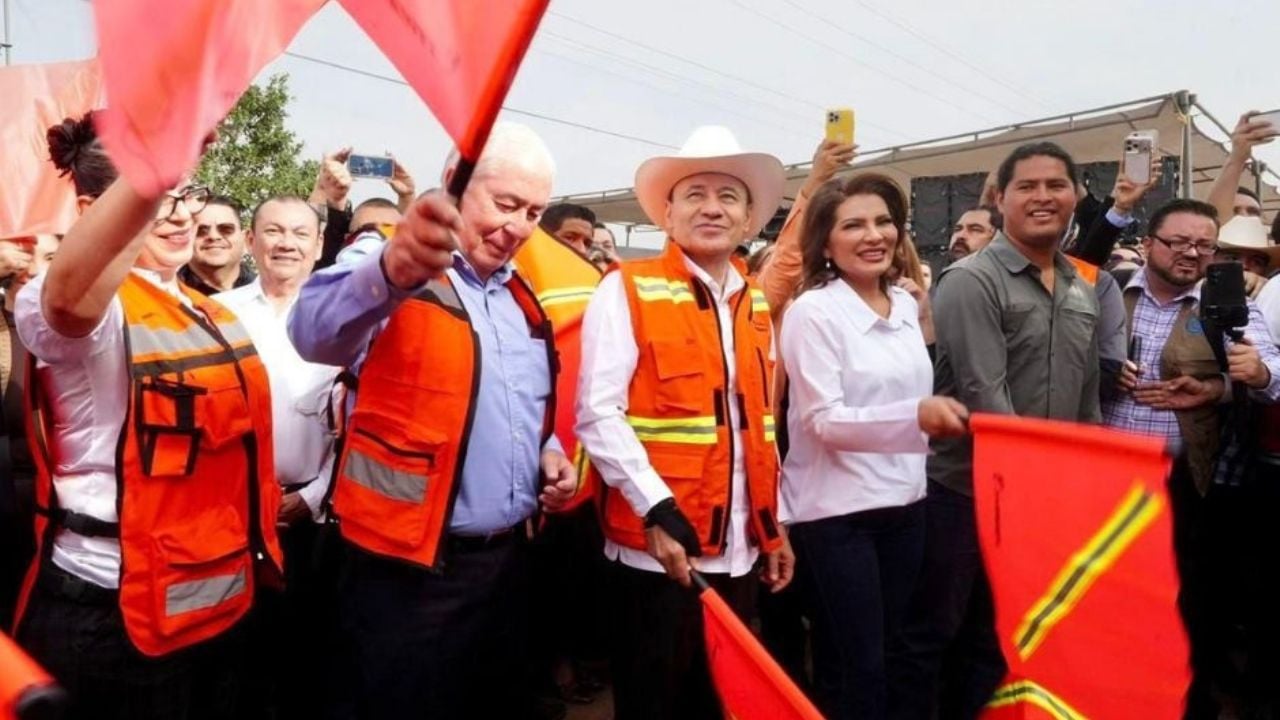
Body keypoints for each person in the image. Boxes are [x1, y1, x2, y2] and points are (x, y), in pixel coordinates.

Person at [288, 122, 577, 718]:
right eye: (506, 204)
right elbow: (311, 330)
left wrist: (548, 450)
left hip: (507, 567)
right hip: (406, 574)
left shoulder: (521, 296)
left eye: (534, 213)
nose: (520, 227)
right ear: (454, 183)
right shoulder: (391, 259)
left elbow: (521, 405)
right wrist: (391, 271)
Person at [13, 114, 282, 720]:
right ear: (92, 210)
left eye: (186, 192)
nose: (181, 214)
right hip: (114, 618)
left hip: (217, 612)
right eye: (157, 197)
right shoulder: (75, 304)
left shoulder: (209, 312)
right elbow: (67, 302)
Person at [576, 125, 795, 719]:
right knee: (654, 705)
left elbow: (760, 428)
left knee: (717, 705)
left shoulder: (755, 304)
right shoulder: (626, 289)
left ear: (748, 220)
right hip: (659, 555)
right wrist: (656, 508)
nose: (712, 208)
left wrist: (774, 527)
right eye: (695, 194)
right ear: (668, 215)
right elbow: (597, 413)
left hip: (740, 555)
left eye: (728, 197)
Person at [894, 142, 1102, 720]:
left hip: (1041, 497)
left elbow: (1087, 404)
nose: (1042, 197)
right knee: (933, 633)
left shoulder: (1081, 287)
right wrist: (1039, 495)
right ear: (1000, 197)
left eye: (1056, 185)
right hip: (964, 494)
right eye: (1027, 186)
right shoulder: (971, 280)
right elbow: (986, 396)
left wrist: (1082, 488)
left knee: (999, 634)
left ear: (1076, 196)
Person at [779, 172, 968, 719]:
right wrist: (916, 417)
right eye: (853, 225)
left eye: (884, 221)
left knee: (891, 652)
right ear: (825, 243)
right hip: (838, 515)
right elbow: (822, 421)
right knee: (854, 665)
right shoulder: (812, 313)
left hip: (906, 506)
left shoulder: (905, 304)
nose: (874, 235)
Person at [1103, 198, 1280, 717]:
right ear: (1149, 243)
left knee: (1186, 601)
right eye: (1178, 242)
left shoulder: (1228, 305)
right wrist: (1103, 369)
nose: (1191, 253)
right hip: (1106, 476)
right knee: (1109, 596)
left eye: (1204, 245)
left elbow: (1263, 377)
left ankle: (1184, 703)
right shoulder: (1109, 291)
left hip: (1185, 480)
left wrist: (1226, 384)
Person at [214, 195, 339, 719]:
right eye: (273, 231)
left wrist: (312, 497)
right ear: (250, 241)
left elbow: (357, 424)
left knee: (308, 656)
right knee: (237, 659)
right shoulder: (218, 314)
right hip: (233, 517)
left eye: (299, 233)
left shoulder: (342, 316)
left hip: (314, 516)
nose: (286, 243)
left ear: (319, 245)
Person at [0, 234, 58, 628]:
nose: (33, 269)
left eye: (50, 257)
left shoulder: (87, 331)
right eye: (23, 254)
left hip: (64, 517)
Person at [308, 147, 415, 270]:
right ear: (346, 238)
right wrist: (322, 189)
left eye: (388, 230)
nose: (372, 239)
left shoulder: (420, 278)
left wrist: (407, 196)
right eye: (363, 232)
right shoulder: (324, 279)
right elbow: (309, 236)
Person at [178, 195, 257, 295]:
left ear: (245, 238)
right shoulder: (168, 294)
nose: (213, 236)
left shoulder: (269, 292)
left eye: (226, 229)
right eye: (201, 231)